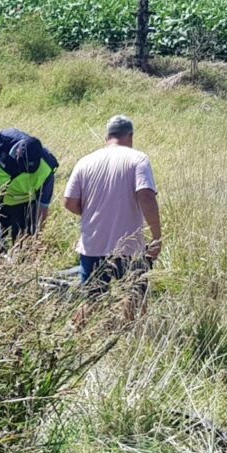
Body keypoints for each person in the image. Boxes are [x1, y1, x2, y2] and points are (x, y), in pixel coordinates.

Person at [62, 114, 162, 320]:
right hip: (129, 247)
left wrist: (92, 214)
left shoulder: (85, 161)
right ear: (130, 136)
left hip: (93, 244)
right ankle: (130, 335)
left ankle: (75, 337)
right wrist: (156, 237)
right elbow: (146, 197)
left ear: (106, 136)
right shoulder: (138, 159)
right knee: (134, 295)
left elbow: (69, 202)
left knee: (91, 299)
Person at [0, 128, 59, 242]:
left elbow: (43, 206)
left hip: (22, 207)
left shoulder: (47, 168)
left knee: (21, 243)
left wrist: (37, 233)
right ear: (17, 153)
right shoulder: (3, 139)